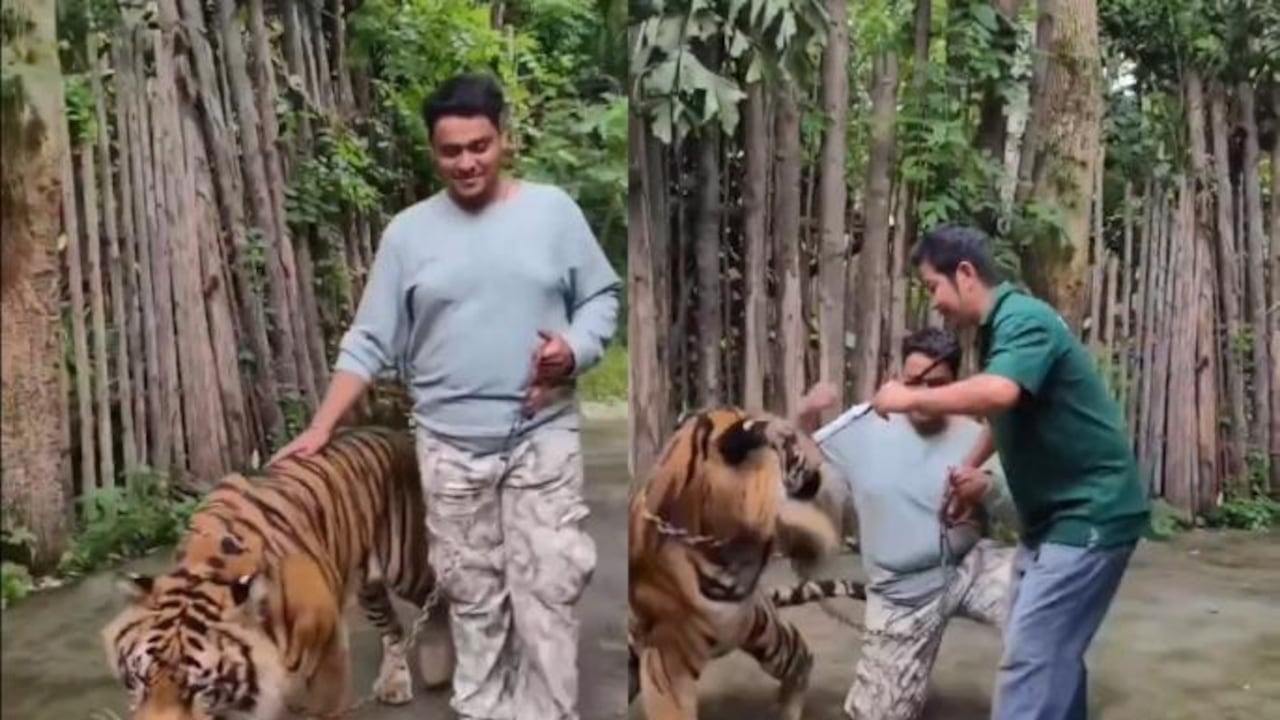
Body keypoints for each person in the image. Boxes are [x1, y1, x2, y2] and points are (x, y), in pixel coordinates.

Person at [270, 72, 621, 720]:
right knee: (474, 593)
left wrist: (573, 349)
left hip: (539, 435)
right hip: (449, 449)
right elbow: (369, 338)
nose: (467, 162)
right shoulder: (407, 236)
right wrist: (321, 427)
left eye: (479, 145)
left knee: (548, 585)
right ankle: (482, 707)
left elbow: (601, 299)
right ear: (434, 152)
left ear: (504, 140)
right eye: (451, 150)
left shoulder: (553, 213)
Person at [868, 224, 1150, 720]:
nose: (935, 301)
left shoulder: (1023, 320)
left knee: (1031, 660)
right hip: (1053, 520)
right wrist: (969, 466)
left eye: (934, 286)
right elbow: (1006, 409)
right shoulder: (1003, 328)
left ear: (966, 273)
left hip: (1091, 512)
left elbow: (999, 393)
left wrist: (908, 395)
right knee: (1049, 654)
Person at [796, 327, 1019, 720]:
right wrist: (805, 414)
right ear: (896, 377)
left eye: (935, 385)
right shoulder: (862, 427)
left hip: (969, 564)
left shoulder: (979, 436)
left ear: (955, 385)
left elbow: (1024, 514)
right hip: (901, 592)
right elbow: (801, 462)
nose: (921, 394)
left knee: (1046, 598)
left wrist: (987, 488)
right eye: (912, 382)